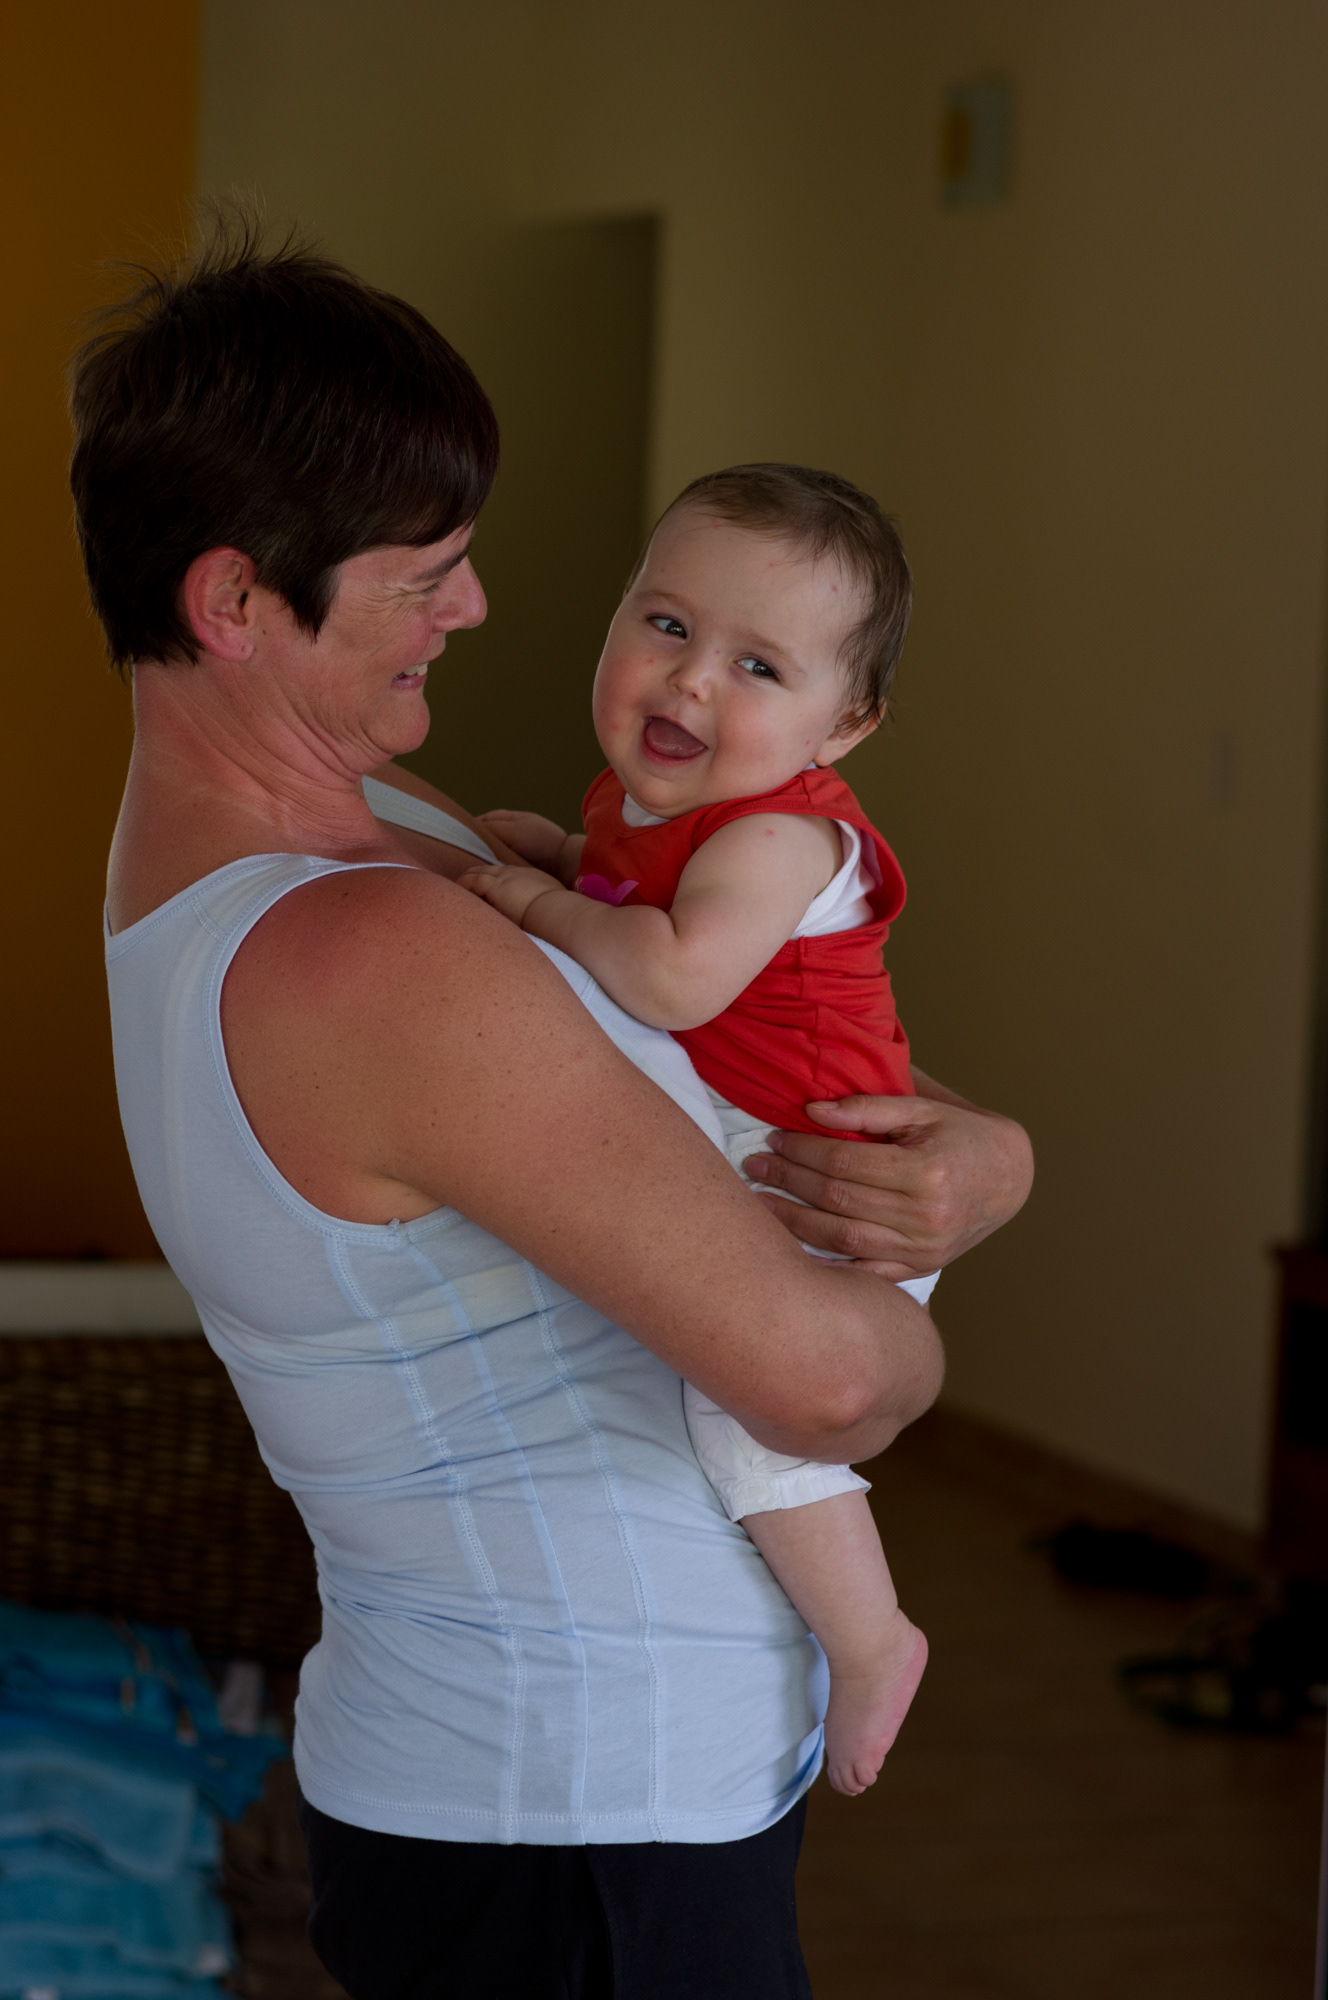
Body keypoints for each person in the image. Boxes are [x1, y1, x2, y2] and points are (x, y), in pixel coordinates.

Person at [78, 217, 1033, 2000]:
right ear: (233, 602)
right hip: (577, 1817)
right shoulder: (366, 950)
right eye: (423, 572)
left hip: (547, 1790)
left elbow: (714, 1050)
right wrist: (912, 1332)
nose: (474, 609)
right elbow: (823, 1383)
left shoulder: (391, 834)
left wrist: (983, 1155)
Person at [461, 462, 933, 1799]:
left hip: (828, 1182)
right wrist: (568, 858)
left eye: (758, 667)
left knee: (748, 1416)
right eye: (666, 625)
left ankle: (873, 1639)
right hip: (749, 1152)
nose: (690, 682)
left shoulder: (778, 840)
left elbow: (672, 976)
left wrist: (538, 904)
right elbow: (641, 894)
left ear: (846, 726)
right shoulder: (652, 801)